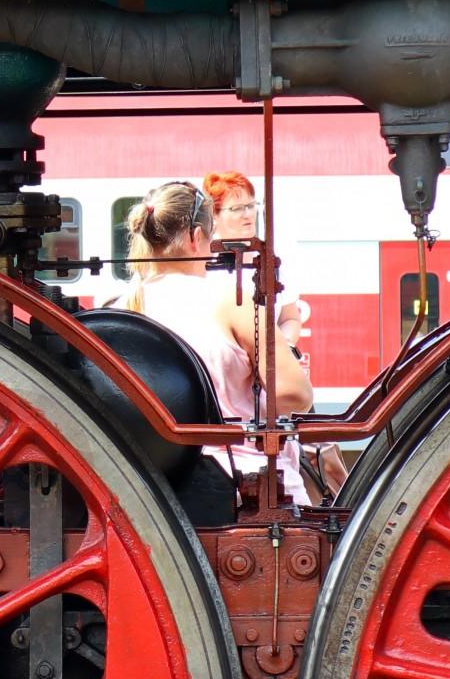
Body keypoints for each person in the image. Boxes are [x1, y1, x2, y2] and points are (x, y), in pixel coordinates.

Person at [124, 181, 314, 505]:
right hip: (241, 483)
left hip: (155, 490)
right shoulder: (232, 301)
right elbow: (294, 395)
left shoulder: (125, 306)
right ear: (196, 238)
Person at [202, 170, 305, 347]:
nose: (248, 214)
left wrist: (284, 346)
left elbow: (290, 318)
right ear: (214, 215)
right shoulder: (200, 262)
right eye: (237, 208)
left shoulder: (272, 259)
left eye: (250, 205)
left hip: (266, 361)